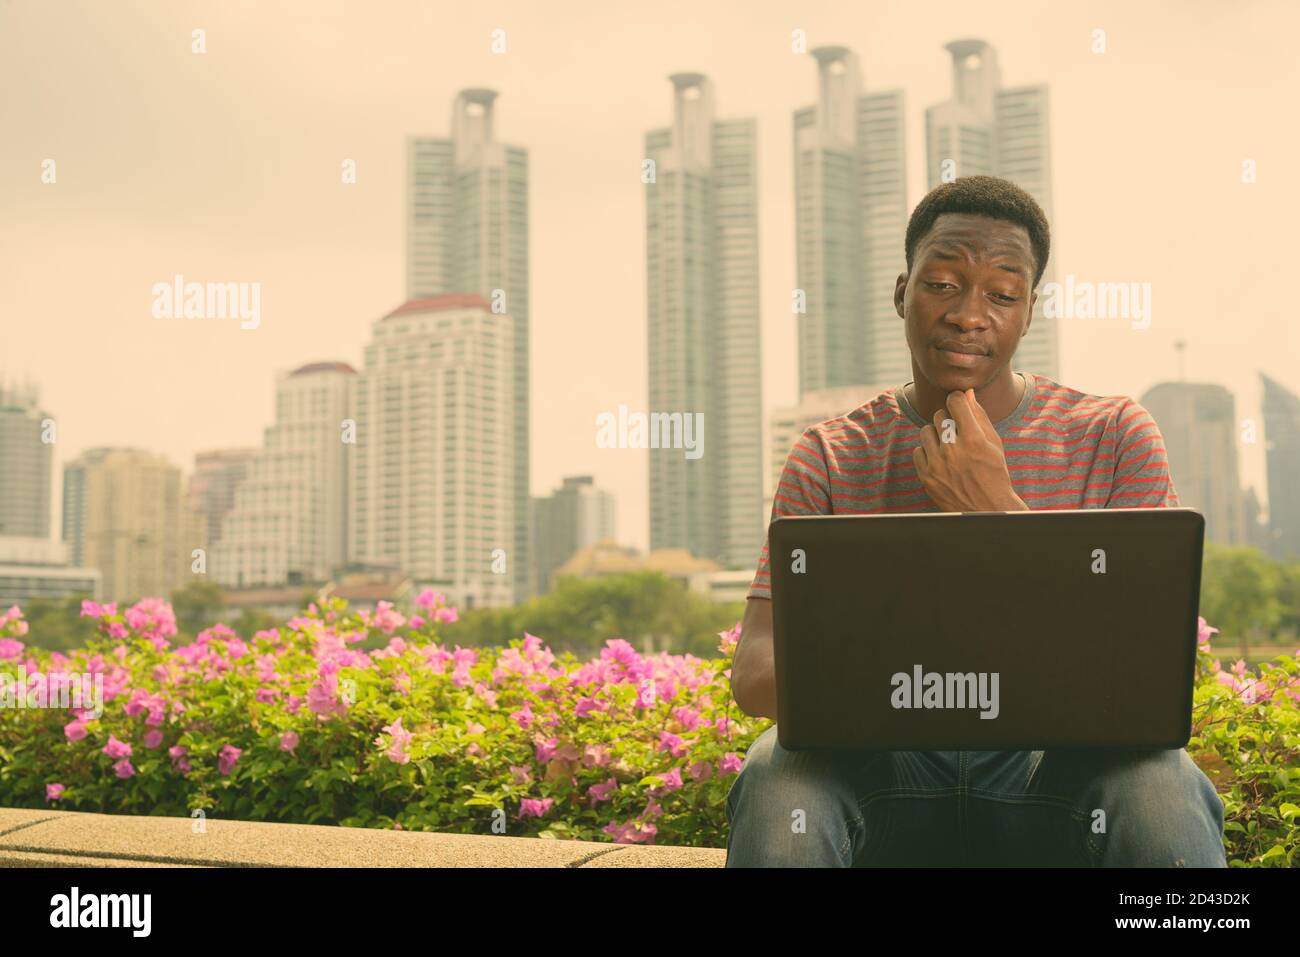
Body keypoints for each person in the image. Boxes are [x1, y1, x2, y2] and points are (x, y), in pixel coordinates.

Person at [726, 175, 1227, 867]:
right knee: (779, 774)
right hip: (885, 785)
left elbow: (1140, 675)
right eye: (942, 283)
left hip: (1050, 781)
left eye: (1001, 293)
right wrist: (907, 669)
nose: (969, 313)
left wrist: (997, 514)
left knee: (1159, 785)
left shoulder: (1112, 435)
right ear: (902, 292)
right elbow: (754, 674)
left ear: (1029, 312)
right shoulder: (830, 454)